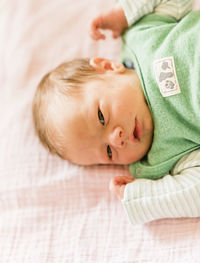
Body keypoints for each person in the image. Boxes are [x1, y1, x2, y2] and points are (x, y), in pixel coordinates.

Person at [32, 0, 200, 224]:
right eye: (109, 152)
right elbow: (195, 192)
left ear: (108, 67)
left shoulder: (142, 35)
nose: (116, 138)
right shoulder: (164, 156)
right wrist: (145, 196)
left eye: (102, 117)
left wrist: (126, 13)